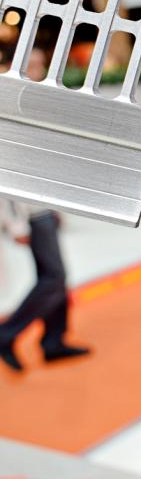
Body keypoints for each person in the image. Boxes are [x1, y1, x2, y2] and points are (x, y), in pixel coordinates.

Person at [0, 47, 90, 372]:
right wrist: (14, 223)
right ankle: (7, 334)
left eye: (41, 64)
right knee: (54, 277)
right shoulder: (7, 100)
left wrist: (55, 203)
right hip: (28, 213)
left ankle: (53, 341)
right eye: (32, 64)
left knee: (52, 276)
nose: (39, 70)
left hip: (42, 206)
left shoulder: (29, 97)